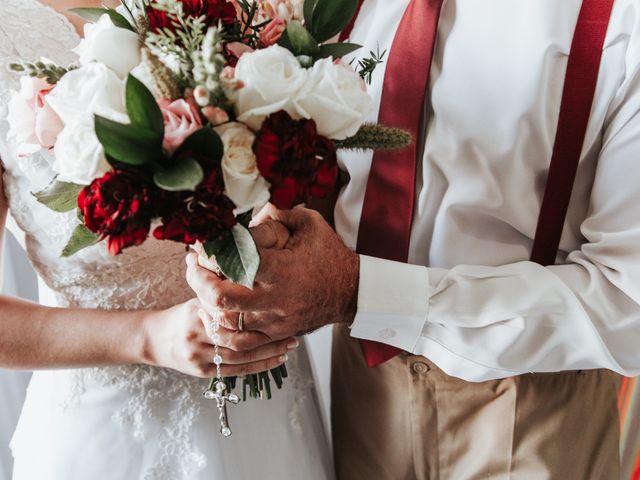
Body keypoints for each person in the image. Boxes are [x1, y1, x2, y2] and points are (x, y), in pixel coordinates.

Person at [186, 0, 640, 478]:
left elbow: (629, 300)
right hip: (361, 386)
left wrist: (354, 290)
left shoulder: (624, 21)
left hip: (532, 408)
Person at [0, 1, 332, 479]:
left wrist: (277, 219)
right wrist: (148, 338)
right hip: (108, 431)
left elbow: (307, 178)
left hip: (267, 407)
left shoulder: (237, 9)